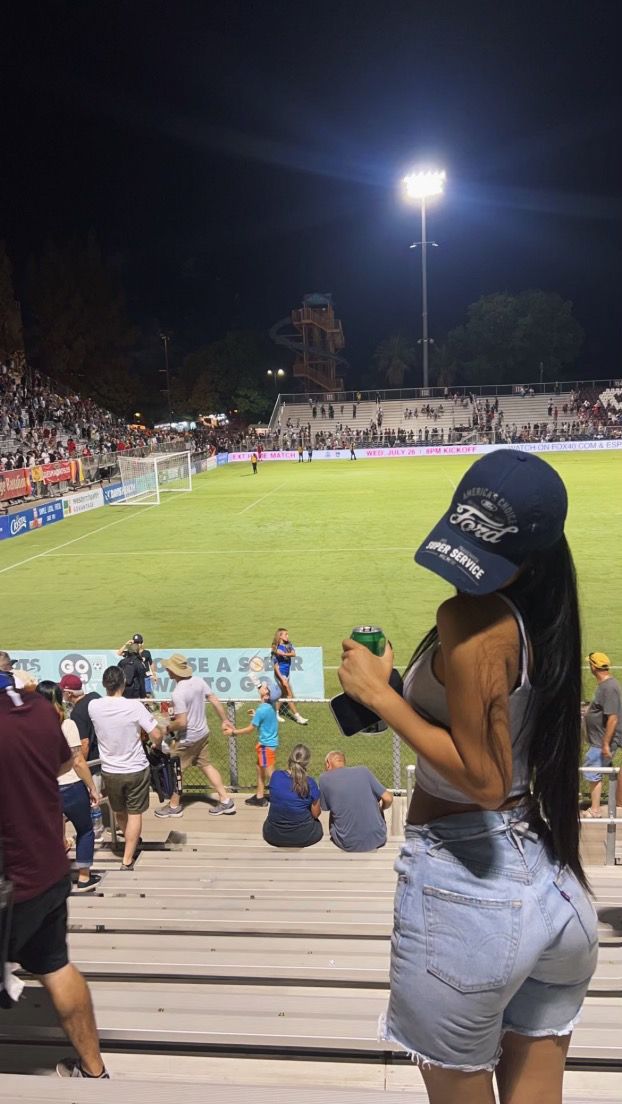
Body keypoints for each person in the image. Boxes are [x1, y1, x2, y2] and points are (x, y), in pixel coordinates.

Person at [338, 449, 598, 1104]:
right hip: (553, 892)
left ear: (529, 558)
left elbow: (482, 778)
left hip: (471, 898)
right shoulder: (544, 619)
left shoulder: (471, 622)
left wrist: (381, 697)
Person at [0, 671, 108, 1079]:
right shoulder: (38, 710)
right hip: (45, 872)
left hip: (13, 879)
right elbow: (63, 761)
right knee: (56, 966)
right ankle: (94, 1071)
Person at [89, 666, 164, 869]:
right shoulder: (134, 707)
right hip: (135, 768)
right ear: (123, 683)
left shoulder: (94, 706)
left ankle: (130, 844)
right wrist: (157, 744)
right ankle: (127, 858)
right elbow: (156, 734)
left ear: (105, 684)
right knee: (134, 813)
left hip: (110, 770)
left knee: (120, 812)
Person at [36, 681, 101, 893]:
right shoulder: (67, 724)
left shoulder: (30, 727)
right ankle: (84, 877)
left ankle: (51, 877)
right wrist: (92, 786)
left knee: (51, 835)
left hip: (44, 789)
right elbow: (78, 761)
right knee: (85, 830)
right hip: (71, 786)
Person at [155, 653, 235, 818]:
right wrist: (225, 720)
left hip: (187, 739)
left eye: (169, 668)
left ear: (175, 671)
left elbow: (182, 722)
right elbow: (213, 698)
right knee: (206, 765)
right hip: (202, 734)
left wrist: (167, 728)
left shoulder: (178, 693)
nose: (167, 670)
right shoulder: (198, 681)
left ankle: (174, 806)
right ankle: (226, 801)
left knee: (176, 771)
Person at [319, 751, 392, 852]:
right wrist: (382, 808)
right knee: (375, 804)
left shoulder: (324, 778)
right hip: (378, 839)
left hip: (348, 844)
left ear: (328, 763)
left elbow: (325, 807)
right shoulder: (363, 771)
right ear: (343, 762)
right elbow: (388, 798)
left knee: (334, 810)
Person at [59, 673, 103, 839]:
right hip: (103, 755)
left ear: (69, 693)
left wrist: (81, 768)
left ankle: (96, 830)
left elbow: (83, 744)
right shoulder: (95, 697)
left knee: (93, 801)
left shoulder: (77, 713)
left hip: (92, 761)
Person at [226, 682, 279, 807]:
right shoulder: (270, 705)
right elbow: (266, 717)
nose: (263, 685)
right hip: (268, 745)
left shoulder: (262, 710)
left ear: (266, 695)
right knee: (259, 769)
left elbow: (250, 729)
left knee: (271, 775)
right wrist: (256, 715)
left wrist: (233, 732)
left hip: (265, 747)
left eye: (266, 687)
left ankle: (282, 799)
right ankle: (259, 796)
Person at [582, 652, 622, 818]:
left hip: (601, 742)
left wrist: (605, 744)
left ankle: (595, 810)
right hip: (599, 740)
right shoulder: (605, 685)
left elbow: (613, 718)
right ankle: (609, 805)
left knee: (593, 772)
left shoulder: (609, 688)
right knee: (600, 771)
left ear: (593, 667)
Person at [263, 744, 322, 848]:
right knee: (317, 824)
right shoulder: (310, 783)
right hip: (304, 836)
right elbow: (316, 814)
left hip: (274, 836)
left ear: (290, 758)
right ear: (307, 762)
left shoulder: (275, 776)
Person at [271, 628, 308, 725]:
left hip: (286, 673)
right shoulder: (276, 648)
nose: (288, 636)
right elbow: (275, 666)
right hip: (280, 674)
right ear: (280, 636)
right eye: (285, 634)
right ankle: (298, 717)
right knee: (288, 694)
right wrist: (282, 678)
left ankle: (275, 713)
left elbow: (294, 653)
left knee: (283, 695)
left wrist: (284, 654)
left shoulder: (288, 645)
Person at [117, 634, 158, 698]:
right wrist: (126, 644)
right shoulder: (130, 652)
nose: (137, 644)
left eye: (139, 643)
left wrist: (154, 674)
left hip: (146, 677)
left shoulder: (146, 653)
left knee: (147, 695)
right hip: (136, 679)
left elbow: (151, 663)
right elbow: (119, 653)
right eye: (135, 643)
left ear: (142, 643)